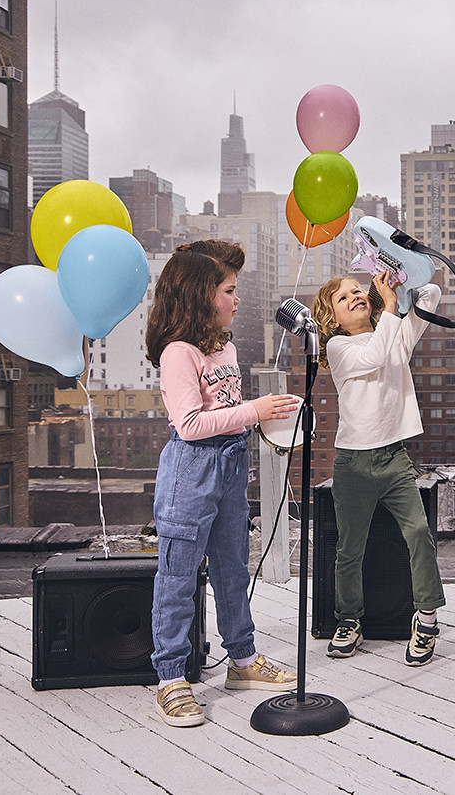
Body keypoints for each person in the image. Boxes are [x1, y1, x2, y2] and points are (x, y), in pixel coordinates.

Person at [145, 239, 301, 727]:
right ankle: (171, 678)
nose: (237, 300)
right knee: (177, 575)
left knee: (234, 566)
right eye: (229, 290)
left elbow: (227, 413)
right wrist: (254, 411)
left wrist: (263, 421)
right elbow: (190, 424)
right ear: (198, 294)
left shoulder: (226, 346)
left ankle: (243, 660)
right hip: (192, 471)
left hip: (233, 464)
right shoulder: (178, 353)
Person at [311, 271, 446, 666]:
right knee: (349, 548)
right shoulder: (338, 346)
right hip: (352, 461)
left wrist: (403, 275)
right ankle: (348, 620)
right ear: (333, 318)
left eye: (358, 289)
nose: (354, 295)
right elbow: (373, 357)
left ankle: (426, 619)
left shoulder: (394, 330)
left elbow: (432, 295)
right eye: (343, 297)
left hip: (393, 457)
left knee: (419, 532)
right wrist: (388, 304)